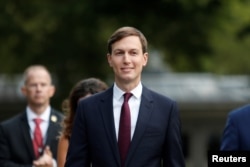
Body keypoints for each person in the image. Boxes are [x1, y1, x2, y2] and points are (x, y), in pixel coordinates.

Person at [65, 26, 185, 167]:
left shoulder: (166, 109)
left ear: (144, 59)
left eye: (133, 53)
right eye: (119, 53)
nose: (126, 60)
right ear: (110, 59)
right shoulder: (88, 108)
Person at [0, 65, 63, 167]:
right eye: (33, 85)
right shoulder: (7, 129)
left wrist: (53, 164)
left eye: (43, 84)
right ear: (24, 90)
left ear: (52, 90)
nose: (38, 89)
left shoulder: (65, 125)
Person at [57, 78, 108, 167]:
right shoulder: (68, 138)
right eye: (82, 107)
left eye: (90, 106)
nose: (86, 112)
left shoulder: (115, 133)